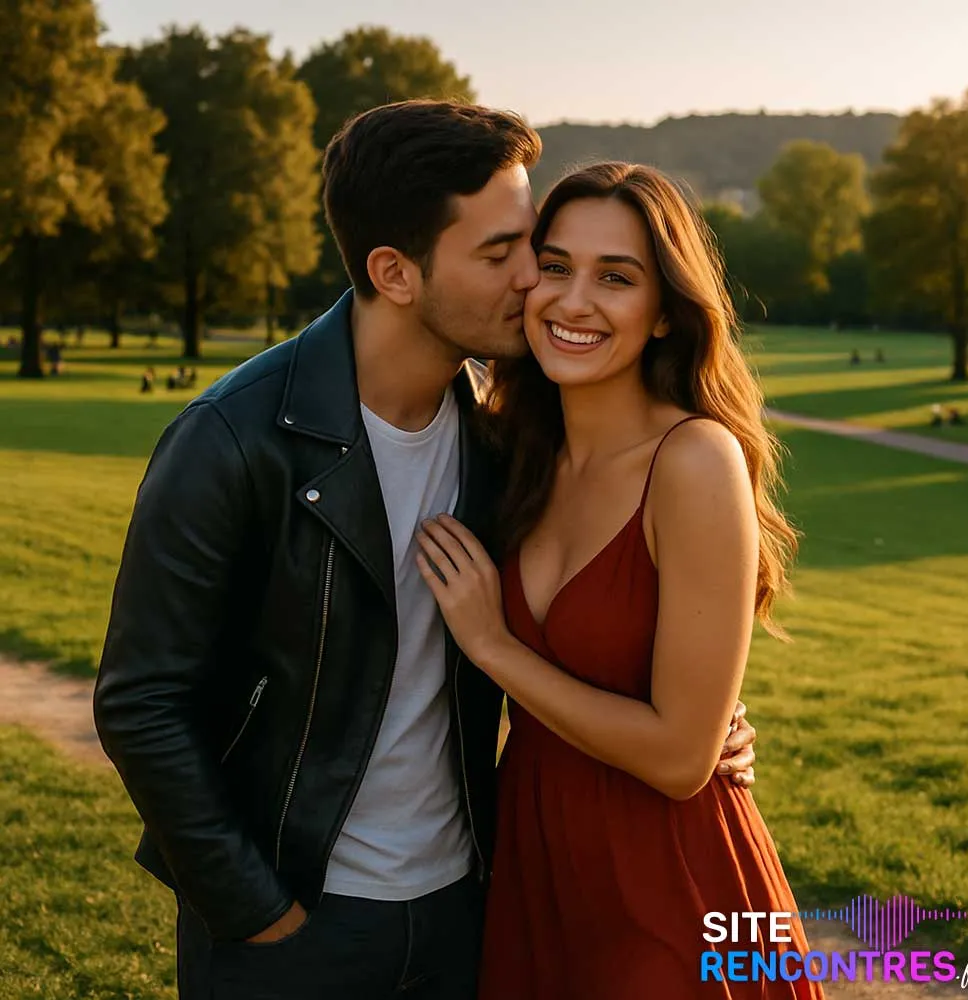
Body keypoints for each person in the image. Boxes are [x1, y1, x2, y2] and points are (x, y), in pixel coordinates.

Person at [93, 102, 757, 1000]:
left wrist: (702, 715)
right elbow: (143, 702)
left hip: (470, 908)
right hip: (295, 921)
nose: (537, 281)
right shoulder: (233, 439)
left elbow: (617, 607)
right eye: (507, 254)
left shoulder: (502, 441)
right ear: (394, 273)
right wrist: (252, 908)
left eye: (537, 246)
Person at [416, 162, 821, 998]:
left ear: (667, 312)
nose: (572, 301)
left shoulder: (694, 460)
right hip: (537, 869)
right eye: (555, 266)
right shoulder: (511, 451)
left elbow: (681, 759)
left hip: (672, 880)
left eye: (617, 278)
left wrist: (493, 645)